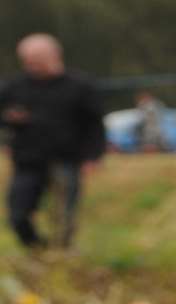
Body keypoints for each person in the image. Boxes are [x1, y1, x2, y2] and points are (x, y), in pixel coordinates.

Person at [1, 33, 105, 251]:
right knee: (17, 215)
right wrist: (11, 121)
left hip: (66, 159)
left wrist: (94, 156)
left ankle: (61, 255)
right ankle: (38, 249)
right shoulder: (15, 87)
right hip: (28, 161)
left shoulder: (80, 86)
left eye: (38, 60)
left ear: (55, 55)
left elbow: (95, 125)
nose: (33, 66)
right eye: (28, 62)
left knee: (64, 216)